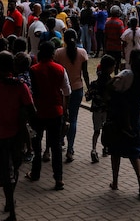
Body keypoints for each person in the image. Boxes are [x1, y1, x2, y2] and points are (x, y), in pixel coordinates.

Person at [0, 51, 36, 220]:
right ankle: (10, 203)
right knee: (14, 168)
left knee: (4, 172)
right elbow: (31, 109)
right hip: (17, 135)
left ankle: (9, 201)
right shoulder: (20, 86)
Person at [25, 40, 70, 190]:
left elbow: (30, 92)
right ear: (52, 53)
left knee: (36, 145)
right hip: (56, 111)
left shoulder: (33, 69)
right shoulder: (60, 69)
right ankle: (59, 179)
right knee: (56, 146)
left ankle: (35, 173)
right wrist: (65, 109)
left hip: (38, 112)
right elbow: (67, 91)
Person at [107, 48, 140, 198]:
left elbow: (112, 87)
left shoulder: (127, 75)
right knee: (134, 149)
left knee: (115, 149)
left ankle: (115, 181)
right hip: (134, 116)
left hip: (120, 115)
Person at [53, 28, 89, 163]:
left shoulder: (58, 53)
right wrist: (89, 88)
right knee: (73, 119)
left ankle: (60, 140)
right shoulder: (82, 53)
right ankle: (70, 149)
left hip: (62, 90)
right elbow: (85, 74)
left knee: (61, 116)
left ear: (64, 39)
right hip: (77, 89)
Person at [86, 54, 116, 163]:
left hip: (96, 110)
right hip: (107, 110)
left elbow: (88, 97)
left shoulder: (94, 84)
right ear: (109, 68)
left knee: (96, 131)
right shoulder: (112, 83)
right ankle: (106, 148)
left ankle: (94, 149)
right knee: (107, 130)